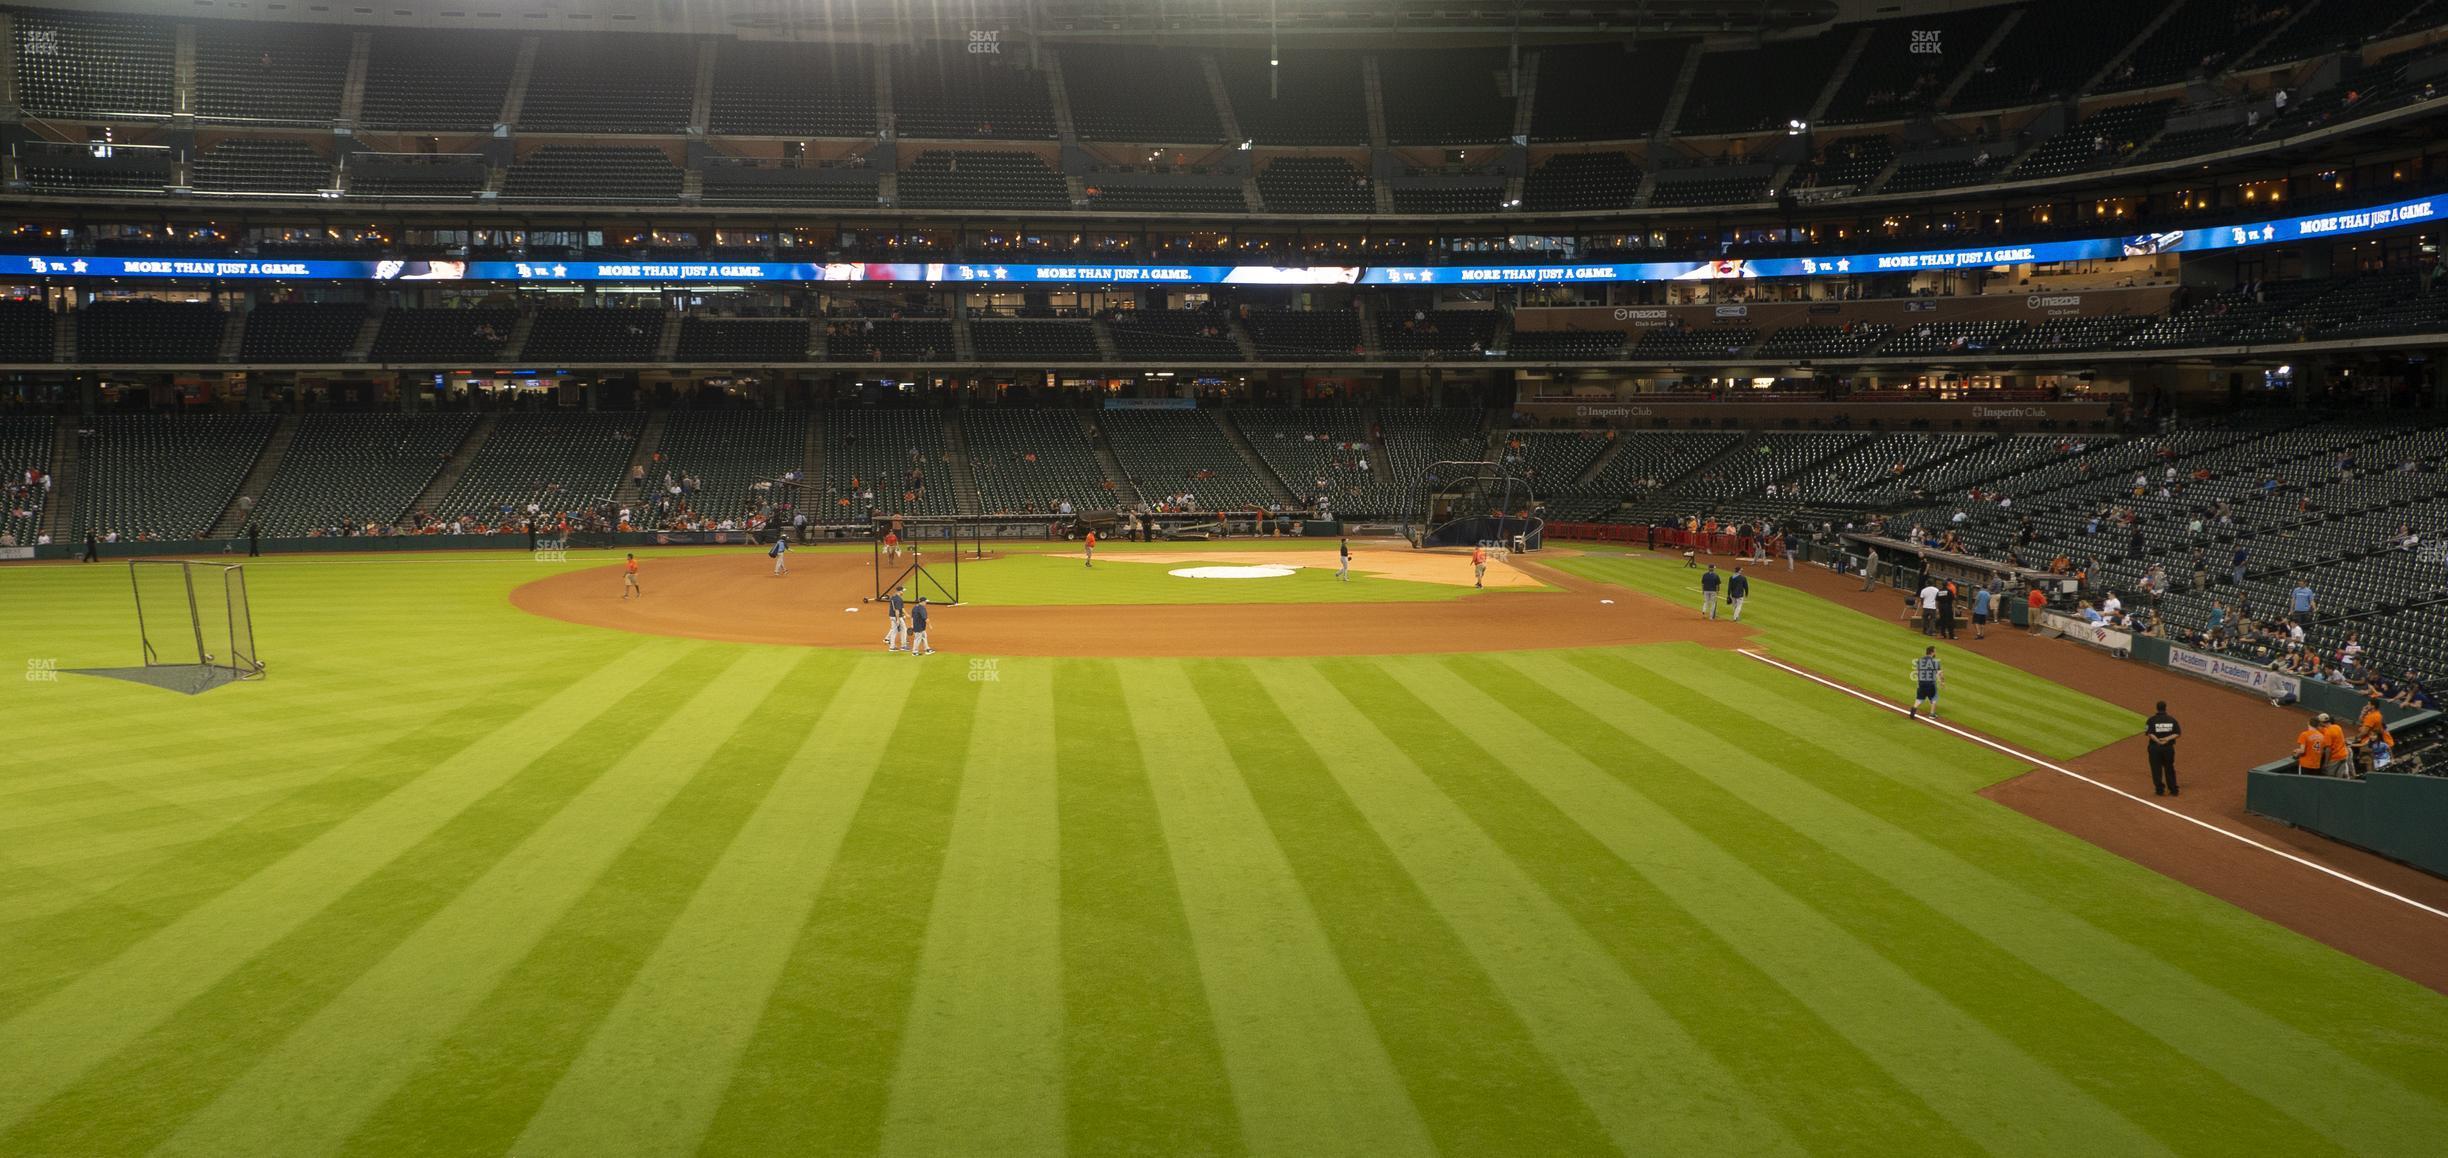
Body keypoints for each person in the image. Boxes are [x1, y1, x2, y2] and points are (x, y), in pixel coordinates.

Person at [2143, 701, 2181, 796]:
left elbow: (2149, 733)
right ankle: (2173, 789)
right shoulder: (2172, 720)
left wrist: (2158, 741)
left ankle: (2159, 790)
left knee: (2156, 769)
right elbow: (2177, 733)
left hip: (2155, 748)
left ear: (2157, 708)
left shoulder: (2151, 720)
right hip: (2168, 748)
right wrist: (2167, 739)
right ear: (2165, 708)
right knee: (2169, 768)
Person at [1910, 646, 1943, 719]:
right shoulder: (1935, 662)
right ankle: (1932, 714)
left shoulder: (1920, 660)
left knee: (1919, 699)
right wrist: (1941, 682)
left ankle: (1913, 709)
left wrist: (1919, 683)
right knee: (1934, 698)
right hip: (1930, 684)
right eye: (1935, 651)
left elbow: (1918, 672)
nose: (1935, 653)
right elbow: (1939, 673)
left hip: (1921, 683)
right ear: (1932, 652)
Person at [2318, 712, 2351, 778]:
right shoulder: (2337, 727)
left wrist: (2326, 763)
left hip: (2335, 758)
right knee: (2340, 778)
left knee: (2329, 777)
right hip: (2344, 755)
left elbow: (2328, 749)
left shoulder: (2328, 733)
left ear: (2321, 722)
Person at [884, 584, 907, 651]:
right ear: (899, 591)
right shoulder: (898, 599)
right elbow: (897, 610)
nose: (903, 592)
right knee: (904, 629)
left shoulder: (893, 597)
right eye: (902, 591)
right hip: (896, 617)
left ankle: (892, 647)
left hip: (892, 616)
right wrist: (898, 619)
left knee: (894, 631)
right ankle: (903, 646)